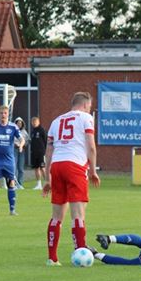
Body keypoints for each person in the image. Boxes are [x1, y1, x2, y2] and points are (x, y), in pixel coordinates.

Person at [42, 92, 100, 266]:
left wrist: (47, 178)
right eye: (89, 107)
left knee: (56, 216)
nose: (89, 109)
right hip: (75, 166)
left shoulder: (56, 121)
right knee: (78, 214)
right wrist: (93, 170)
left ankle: (52, 258)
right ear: (84, 105)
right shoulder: (86, 118)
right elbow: (91, 145)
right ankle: (81, 253)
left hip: (57, 166)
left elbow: (49, 151)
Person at [30, 116, 47, 190]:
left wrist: (45, 151)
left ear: (38, 122)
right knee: (36, 168)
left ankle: (48, 183)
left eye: (35, 122)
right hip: (34, 153)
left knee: (43, 168)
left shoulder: (42, 130)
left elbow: (46, 141)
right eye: (33, 122)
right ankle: (39, 185)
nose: (34, 123)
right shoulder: (33, 131)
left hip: (41, 153)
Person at [13, 117, 30, 189]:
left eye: (20, 123)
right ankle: (13, 184)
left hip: (21, 150)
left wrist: (23, 145)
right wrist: (15, 144)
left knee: (20, 168)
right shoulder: (13, 131)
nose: (19, 124)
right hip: (14, 150)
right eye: (18, 123)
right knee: (14, 167)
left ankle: (20, 184)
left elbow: (28, 141)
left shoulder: (25, 132)